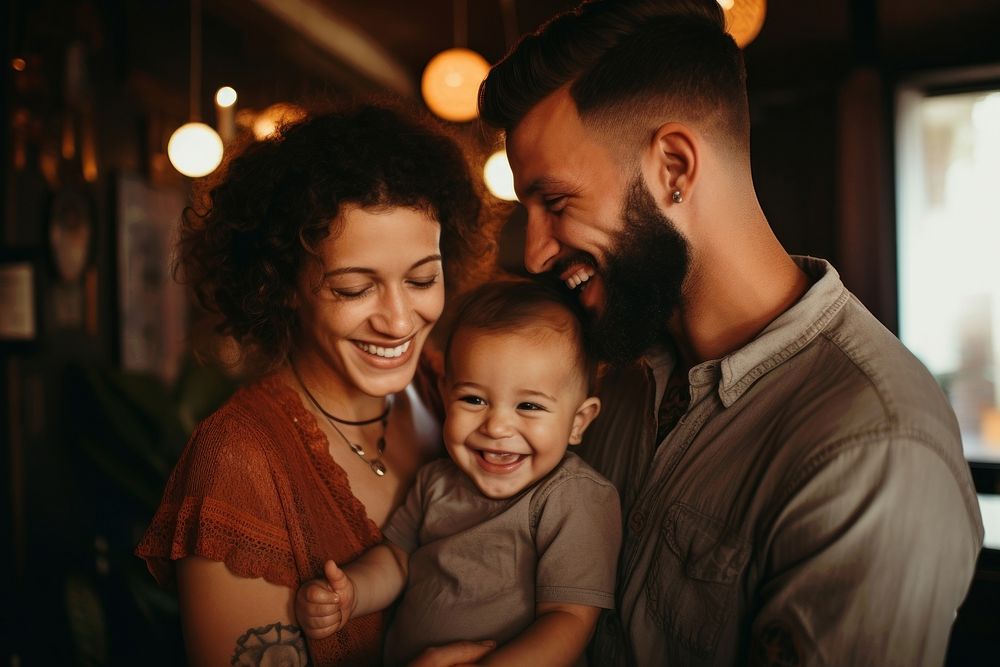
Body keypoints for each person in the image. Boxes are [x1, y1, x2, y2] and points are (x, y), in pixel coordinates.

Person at [477, 1, 985, 665]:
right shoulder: (619, 375)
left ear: (675, 168)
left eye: (556, 201)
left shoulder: (874, 451)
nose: (537, 251)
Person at [135, 102, 492, 666]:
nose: (399, 321)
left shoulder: (446, 383)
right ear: (279, 287)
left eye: (423, 278)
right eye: (355, 289)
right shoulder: (239, 463)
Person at [296, 279, 622, 666]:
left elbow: (568, 619)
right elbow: (398, 560)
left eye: (530, 407)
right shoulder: (436, 481)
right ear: (446, 392)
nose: (497, 426)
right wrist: (352, 592)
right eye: (473, 399)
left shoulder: (574, 497)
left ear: (578, 422)